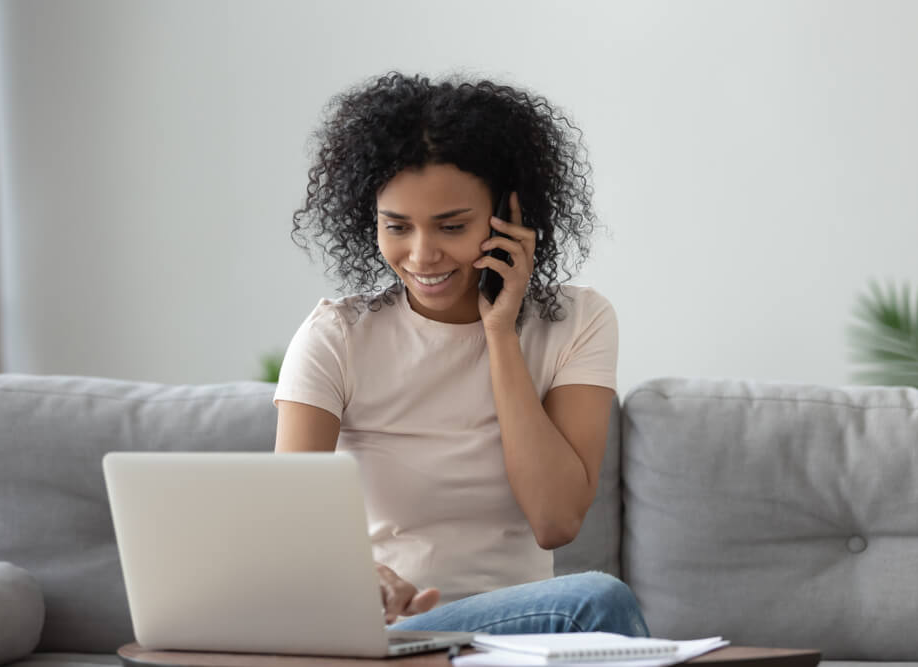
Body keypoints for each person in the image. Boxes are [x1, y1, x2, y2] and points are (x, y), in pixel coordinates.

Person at [274, 71, 649, 637]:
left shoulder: (576, 321)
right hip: (391, 632)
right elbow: (284, 525)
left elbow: (556, 520)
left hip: (525, 633)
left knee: (590, 603)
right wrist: (362, 574)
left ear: (511, 216)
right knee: (595, 602)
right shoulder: (337, 337)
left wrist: (499, 332)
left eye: (452, 226)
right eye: (397, 227)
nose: (422, 255)